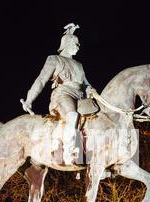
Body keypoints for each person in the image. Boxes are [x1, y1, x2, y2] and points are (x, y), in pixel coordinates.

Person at [20, 23, 95, 165]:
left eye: (78, 44)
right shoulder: (54, 59)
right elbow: (41, 80)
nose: (78, 47)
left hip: (80, 97)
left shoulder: (79, 65)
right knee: (72, 116)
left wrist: (91, 90)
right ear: (66, 43)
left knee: (96, 117)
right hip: (62, 95)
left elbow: (86, 84)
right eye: (76, 43)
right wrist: (30, 99)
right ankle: (69, 152)